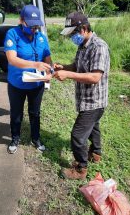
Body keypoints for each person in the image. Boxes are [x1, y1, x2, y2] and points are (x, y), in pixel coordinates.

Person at [53, 12, 110, 180]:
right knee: (93, 127)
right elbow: (77, 66)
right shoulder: (83, 45)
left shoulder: (98, 46)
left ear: (84, 29)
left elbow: (94, 77)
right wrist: (63, 67)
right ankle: (96, 153)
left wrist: (67, 75)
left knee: (78, 135)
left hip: (94, 100)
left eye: (73, 34)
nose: (72, 38)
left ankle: (80, 169)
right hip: (87, 100)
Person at [4, 5, 52, 154]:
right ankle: (15, 138)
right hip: (17, 84)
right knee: (16, 113)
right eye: (30, 25)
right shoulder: (12, 34)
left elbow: (48, 58)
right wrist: (34, 64)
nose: (33, 29)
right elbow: (12, 59)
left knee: (35, 112)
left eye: (36, 26)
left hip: (36, 84)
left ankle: (36, 138)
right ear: (21, 20)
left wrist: (50, 71)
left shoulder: (41, 38)